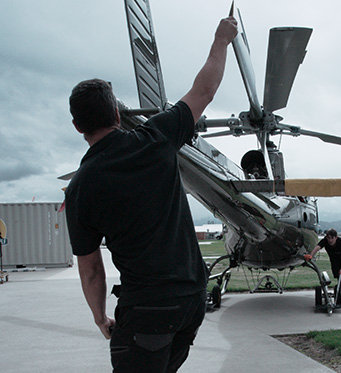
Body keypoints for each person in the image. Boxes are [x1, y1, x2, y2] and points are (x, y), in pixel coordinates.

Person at [65, 16, 238, 373]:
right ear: (116, 112)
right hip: (192, 301)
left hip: (148, 312)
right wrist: (222, 39)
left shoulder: (81, 186)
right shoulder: (157, 136)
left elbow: (92, 269)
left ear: (77, 126)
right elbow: (204, 90)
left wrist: (99, 317)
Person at [305, 229, 341, 306]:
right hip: (335, 262)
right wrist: (311, 255)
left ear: (336, 237)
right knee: (340, 280)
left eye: (332, 238)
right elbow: (317, 247)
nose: (330, 240)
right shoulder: (325, 241)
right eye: (328, 238)